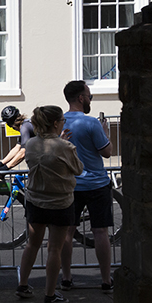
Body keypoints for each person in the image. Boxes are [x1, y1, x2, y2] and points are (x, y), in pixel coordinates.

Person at [15, 106, 84, 303]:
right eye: (62, 119)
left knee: (32, 244)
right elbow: (78, 169)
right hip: (61, 201)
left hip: (36, 199)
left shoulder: (32, 144)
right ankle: (50, 293)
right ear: (55, 123)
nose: (64, 121)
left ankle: (23, 284)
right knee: (55, 248)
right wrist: (64, 142)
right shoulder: (65, 147)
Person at [60, 80, 114, 292]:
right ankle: (106, 280)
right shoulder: (92, 123)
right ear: (81, 98)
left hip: (71, 184)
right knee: (100, 231)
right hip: (96, 183)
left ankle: (66, 278)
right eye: (89, 96)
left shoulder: (59, 122)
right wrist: (105, 132)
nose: (90, 99)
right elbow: (107, 152)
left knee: (67, 232)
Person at [0, 105, 36, 171]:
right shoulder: (25, 125)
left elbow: (23, 152)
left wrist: (6, 167)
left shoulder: (24, 128)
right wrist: (1, 164)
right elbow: (17, 148)